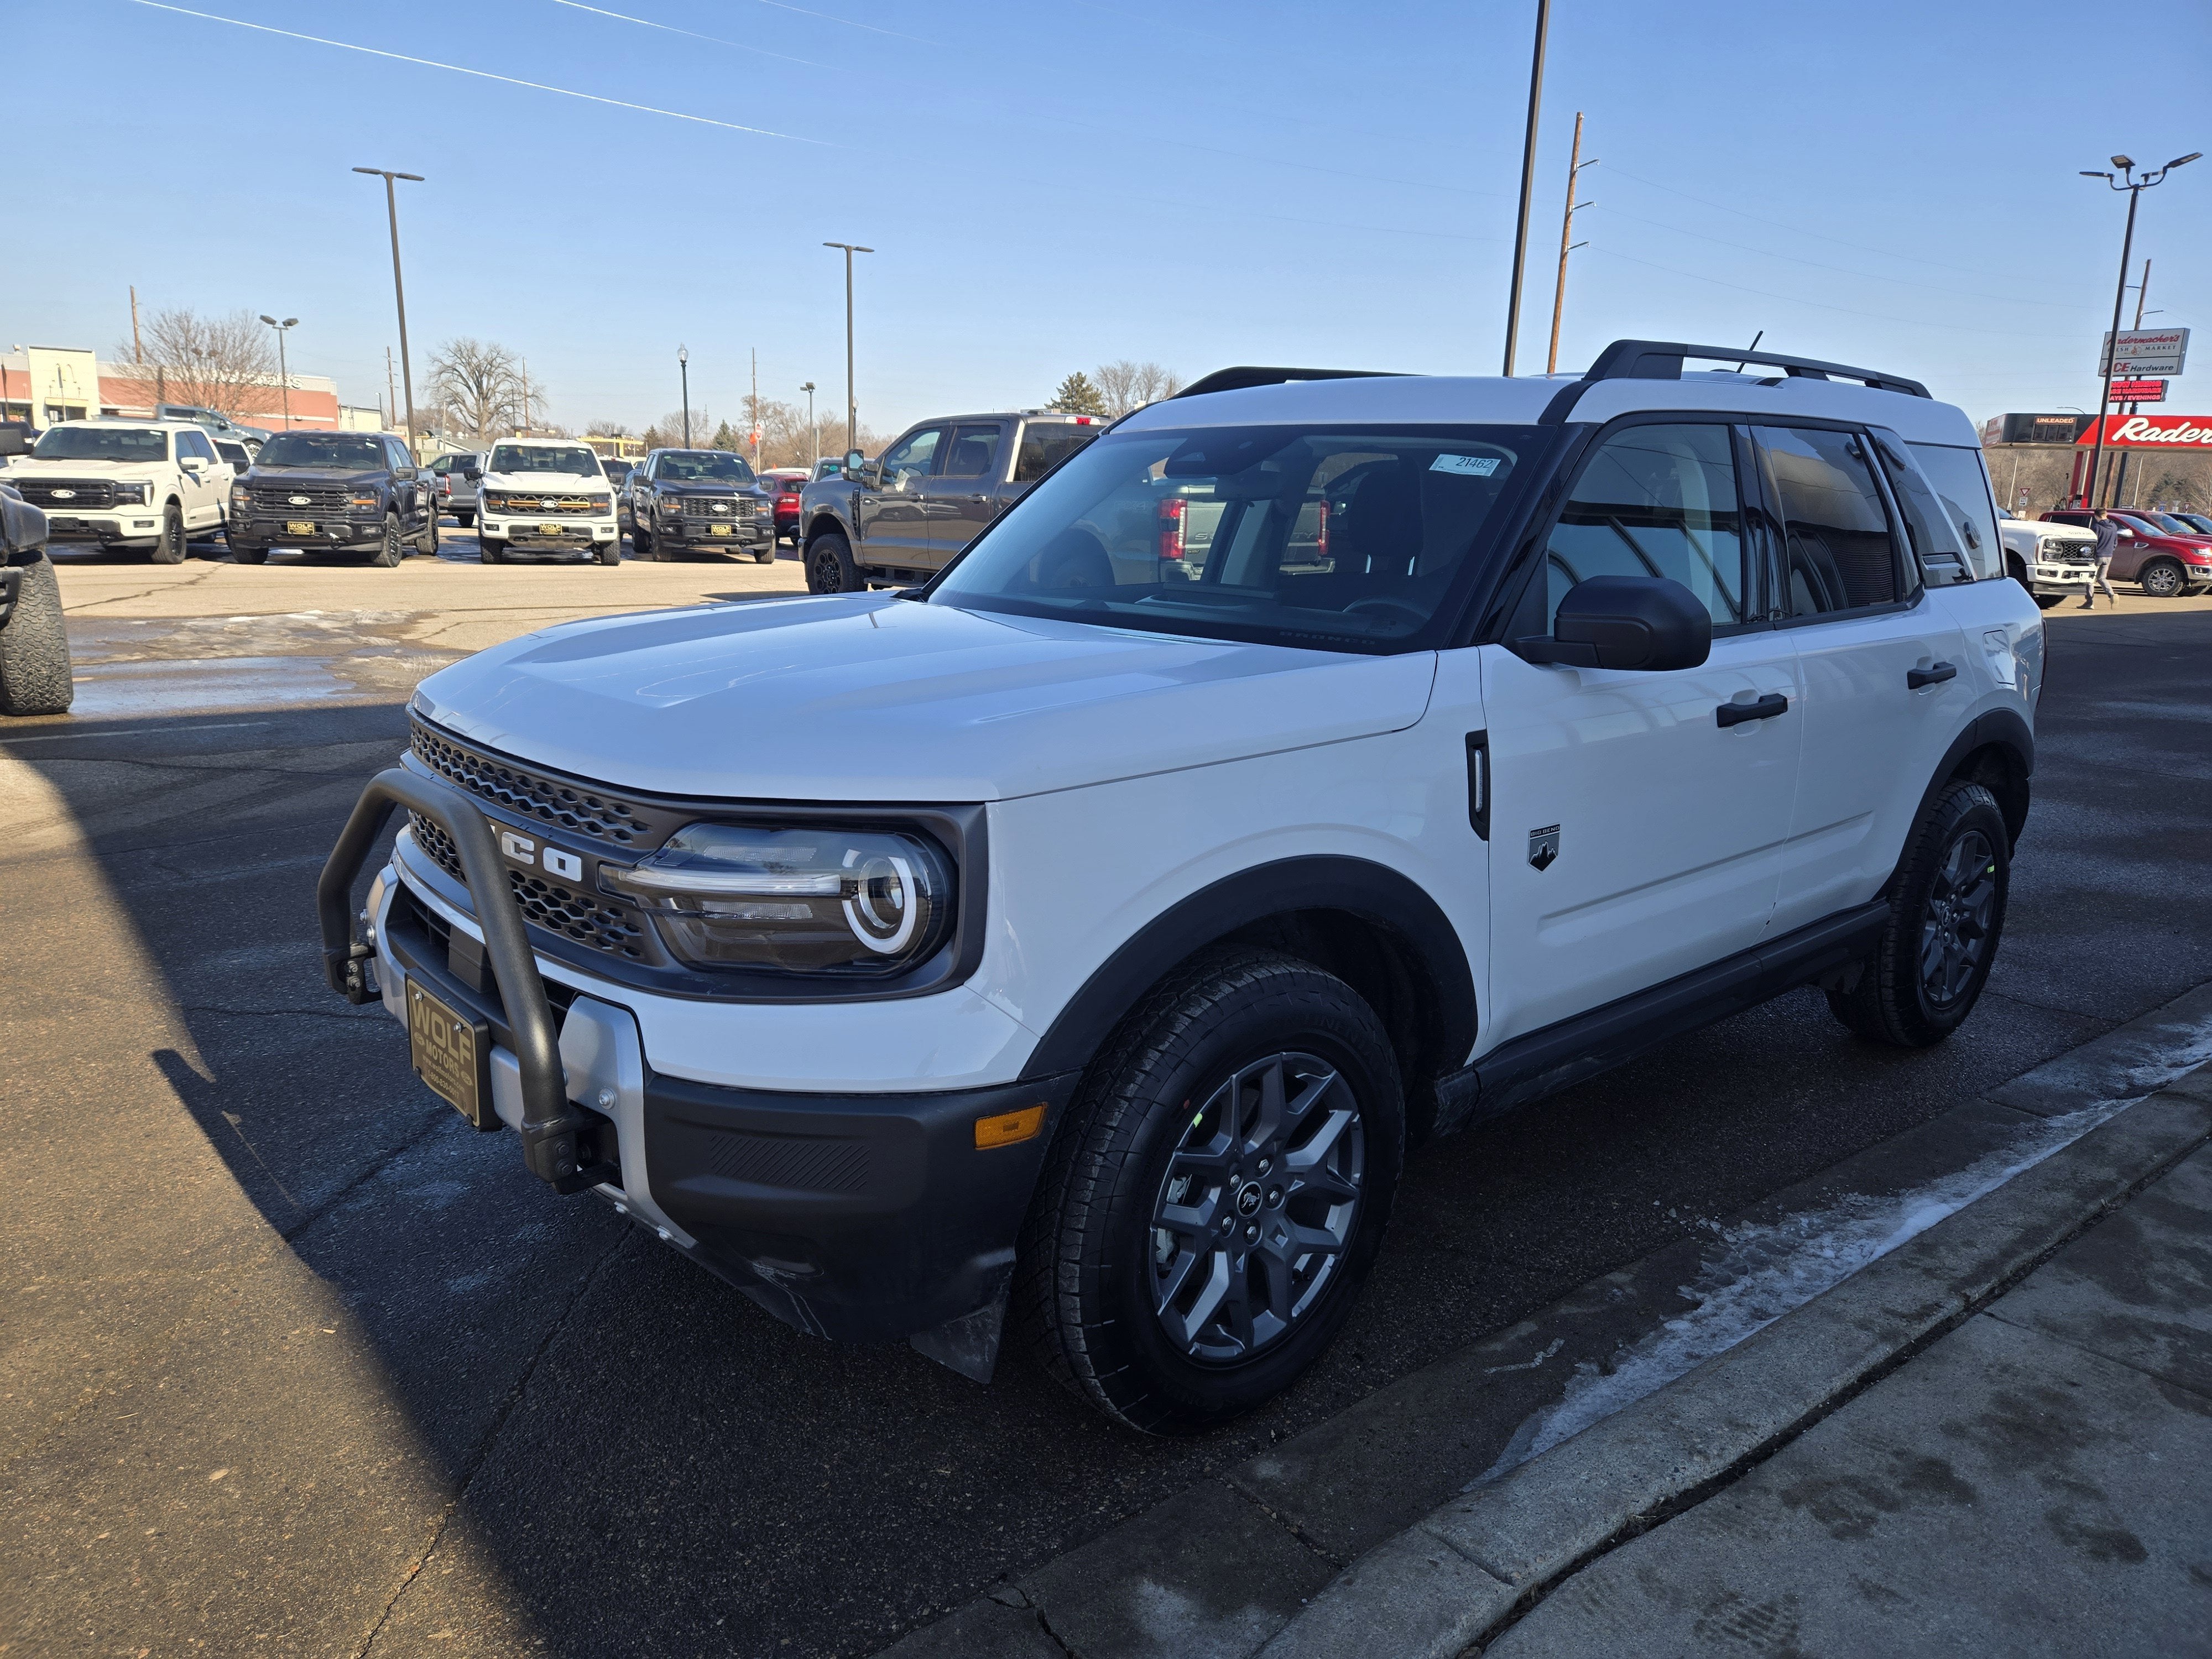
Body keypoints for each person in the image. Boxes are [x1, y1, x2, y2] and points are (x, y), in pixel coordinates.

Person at [2081, 507, 2120, 609]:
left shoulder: (2096, 527)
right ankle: (2112, 595)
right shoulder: (2114, 526)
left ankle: (2089, 603)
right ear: (2106, 514)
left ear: (2096, 516)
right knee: (2102, 578)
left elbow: (2092, 543)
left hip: (2097, 556)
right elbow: (2115, 542)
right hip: (2109, 556)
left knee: (2090, 579)